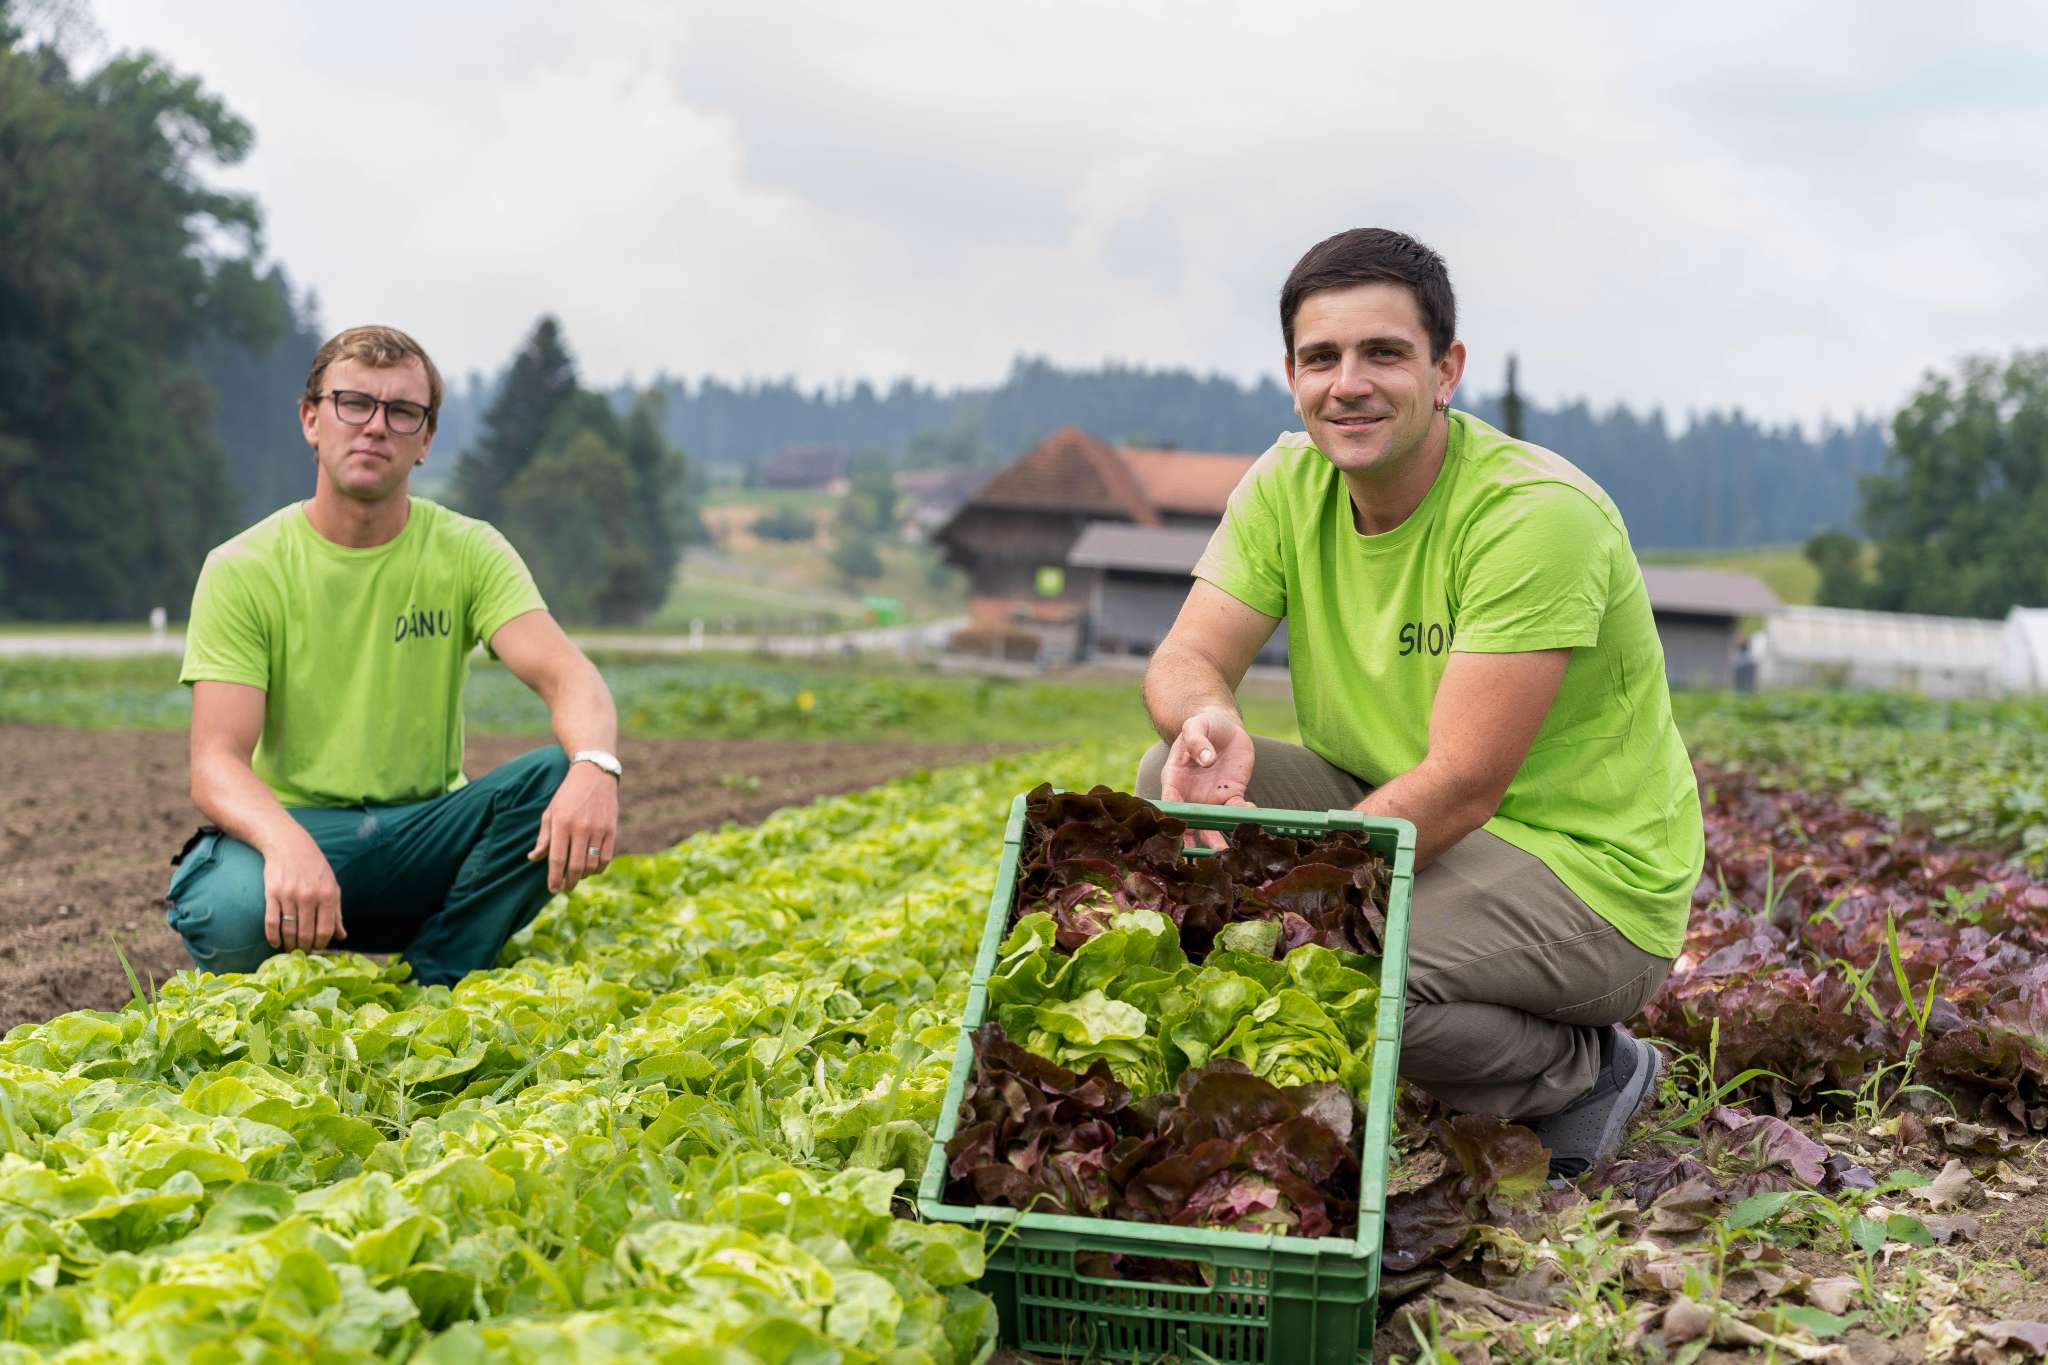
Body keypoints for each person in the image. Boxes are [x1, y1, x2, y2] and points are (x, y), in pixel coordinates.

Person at [1139, 229, 1704, 1178]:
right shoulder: (1288, 483)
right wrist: (1209, 717)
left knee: (1346, 974)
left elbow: (1464, 783)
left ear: (1446, 371)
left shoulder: (1533, 516)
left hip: (1587, 872)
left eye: (1383, 353)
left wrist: (1302, 918)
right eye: (1322, 357)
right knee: (1170, 768)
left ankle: (1581, 1072)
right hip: (1407, 805)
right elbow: (1187, 655)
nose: (1348, 384)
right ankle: (1425, 1015)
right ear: (1291, 376)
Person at [165, 325, 623, 989]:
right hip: (301, 832)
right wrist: (286, 842)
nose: (376, 426)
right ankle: (284, 959)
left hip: (425, 837)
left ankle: (439, 977)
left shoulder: (469, 550)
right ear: (311, 419)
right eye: (354, 403)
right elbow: (215, 763)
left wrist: (597, 765)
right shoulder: (243, 568)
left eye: (402, 411)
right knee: (223, 905)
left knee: (562, 771)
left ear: (425, 439)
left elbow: (568, 675)